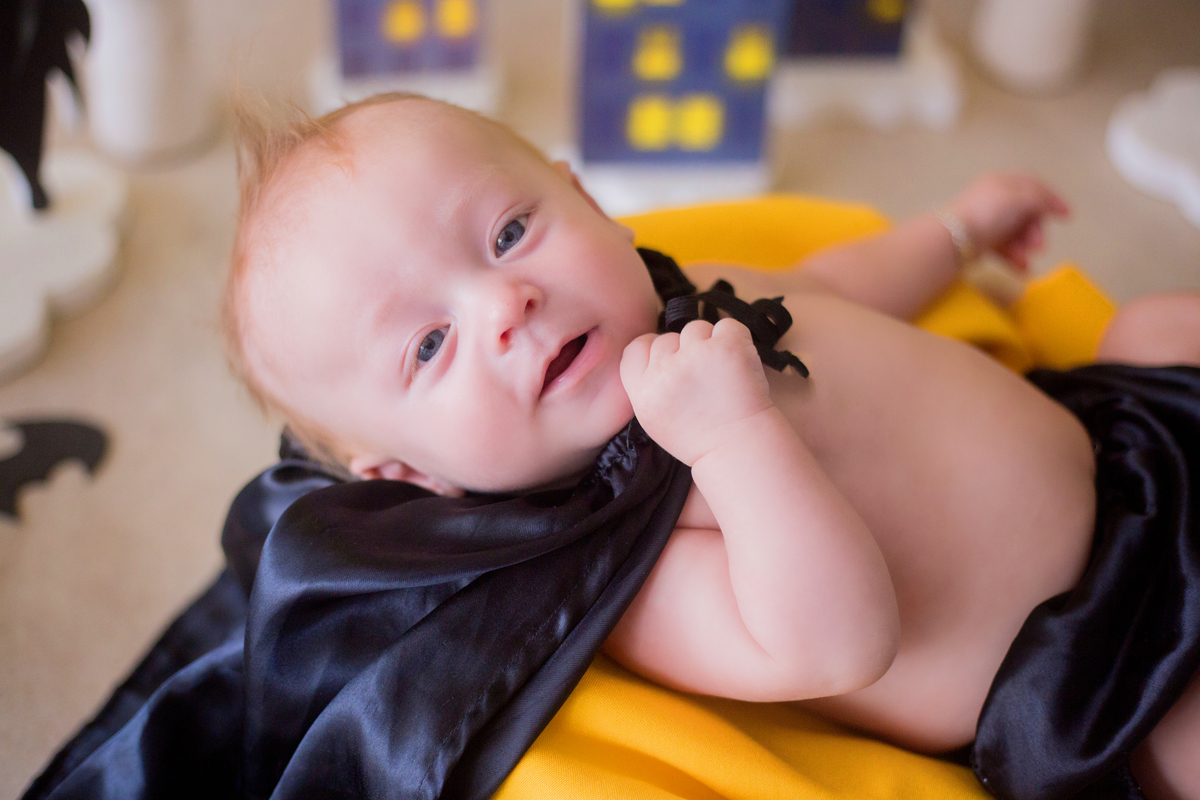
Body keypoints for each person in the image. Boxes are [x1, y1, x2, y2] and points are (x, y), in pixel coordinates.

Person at [222, 92, 1200, 800]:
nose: (502, 303)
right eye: (429, 344)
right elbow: (836, 640)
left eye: (512, 230)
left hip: (1125, 448)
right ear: (416, 477)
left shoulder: (692, 295)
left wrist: (954, 231)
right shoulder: (628, 556)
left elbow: (841, 282)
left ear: (586, 199)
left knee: (1160, 323)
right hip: (1107, 662)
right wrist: (733, 438)